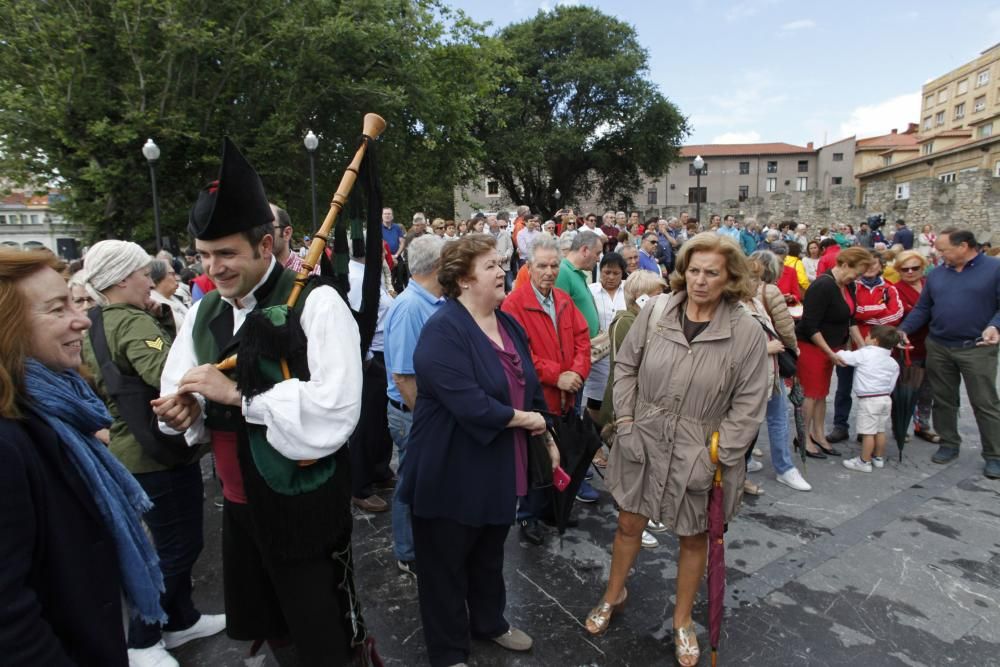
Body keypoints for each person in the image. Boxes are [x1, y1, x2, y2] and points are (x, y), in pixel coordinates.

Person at [153, 138, 369, 665]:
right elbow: (179, 383)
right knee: (271, 623)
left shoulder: (317, 302)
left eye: (226, 253)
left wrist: (240, 396)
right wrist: (184, 410)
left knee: (324, 633)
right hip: (238, 503)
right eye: (204, 255)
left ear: (265, 247)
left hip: (301, 502)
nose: (213, 267)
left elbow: (338, 407)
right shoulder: (204, 311)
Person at [588, 234, 769, 666]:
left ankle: (682, 620)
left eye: (712, 272)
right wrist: (627, 421)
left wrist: (719, 453)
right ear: (682, 271)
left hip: (700, 445)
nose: (701, 281)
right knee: (629, 522)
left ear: (730, 278)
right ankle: (614, 594)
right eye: (694, 270)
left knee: (693, 536)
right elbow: (626, 366)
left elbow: (749, 404)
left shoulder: (745, 331)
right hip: (644, 433)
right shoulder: (656, 312)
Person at [0, 249, 164, 666]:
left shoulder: (55, 409)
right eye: (58, 309)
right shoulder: (9, 442)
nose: (82, 319)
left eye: (74, 301)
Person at [399, 235, 555, 667]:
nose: (502, 270)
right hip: (449, 471)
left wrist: (546, 435)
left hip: (497, 468)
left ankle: (489, 622)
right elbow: (471, 404)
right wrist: (529, 422)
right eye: (491, 265)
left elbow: (529, 383)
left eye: (500, 262)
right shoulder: (442, 331)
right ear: (465, 279)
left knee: (489, 555)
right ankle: (448, 653)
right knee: (444, 569)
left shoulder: (506, 322)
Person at [79, 241, 224, 666]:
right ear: (123, 278)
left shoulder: (94, 320)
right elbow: (169, 377)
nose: (152, 280)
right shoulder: (134, 324)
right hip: (155, 455)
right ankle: (143, 638)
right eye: (145, 273)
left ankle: (180, 619)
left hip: (127, 451)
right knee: (178, 546)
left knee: (166, 542)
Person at [502, 234, 590, 545]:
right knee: (535, 459)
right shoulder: (514, 304)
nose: (549, 272)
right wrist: (558, 376)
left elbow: (582, 340)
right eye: (542, 266)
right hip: (537, 397)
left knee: (560, 454)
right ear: (528, 266)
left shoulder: (563, 299)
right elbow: (518, 355)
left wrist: (577, 373)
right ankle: (528, 515)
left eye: (554, 265)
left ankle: (554, 509)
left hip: (568, 394)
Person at [898, 229, 1000, 478]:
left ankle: (994, 455)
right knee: (943, 399)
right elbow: (924, 307)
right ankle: (949, 443)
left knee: (985, 402)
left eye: (943, 250)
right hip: (939, 345)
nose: (938, 254)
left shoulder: (994, 269)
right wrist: (904, 330)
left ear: (964, 246)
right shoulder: (938, 273)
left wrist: (995, 325)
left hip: (976, 348)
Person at [383, 234, 447, 577]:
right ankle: (407, 552)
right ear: (438, 265)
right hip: (412, 414)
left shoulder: (431, 301)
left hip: (420, 412)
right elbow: (404, 377)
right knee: (412, 482)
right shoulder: (410, 308)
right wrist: (427, 421)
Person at [796, 247, 872, 458]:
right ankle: (803, 438)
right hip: (813, 347)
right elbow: (810, 325)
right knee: (811, 395)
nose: (856, 278)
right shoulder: (822, 285)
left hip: (831, 347)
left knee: (821, 395)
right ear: (845, 264)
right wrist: (829, 352)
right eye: (856, 273)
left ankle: (819, 435)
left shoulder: (849, 287)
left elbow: (850, 318)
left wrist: (862, 346)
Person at [748, 250, 811, 492]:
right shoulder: (768, 291)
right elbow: (785, 327)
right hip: (766, 365)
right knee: (777, 417)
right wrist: (793, 350)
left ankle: (751, 461)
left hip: (760, 367)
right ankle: (784, 467)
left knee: (757, 417)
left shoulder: (753, 296)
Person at [827, 254, 903, 443]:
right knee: (844, 388)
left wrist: (865, 315)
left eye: (873, 263)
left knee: (875, 389)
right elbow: (851, 311)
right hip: (852, 343)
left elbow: (895, 315)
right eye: (865, 264)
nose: (869, 267)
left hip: (878, 348)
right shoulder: (851, 286)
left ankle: (868, 429)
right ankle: (840, 425)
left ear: (880, 265)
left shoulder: (888, 289)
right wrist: (878, 310)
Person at [554, 230, 603, 503]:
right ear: (584, 250)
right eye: (596, 254)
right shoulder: (564, 272)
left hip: (581, 357)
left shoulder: (576, 273)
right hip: (571, 363)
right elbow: (559, 318)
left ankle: (573, 475)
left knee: (572, 418)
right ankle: (568, 479)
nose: (597, 260)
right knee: (568, 423)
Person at [888, 250, 938, 442]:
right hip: (908, 346)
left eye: (914, 268)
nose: (910, 272)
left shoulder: (929, 285)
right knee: (905, 389)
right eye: (904, 269)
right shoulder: (895, 289)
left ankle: (922, 425)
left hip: (933, 344)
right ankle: (900, 425)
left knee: (927, 390)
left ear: (922, 268)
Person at [838, 325, 902, 473]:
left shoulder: (865, 353)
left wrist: (838, 351)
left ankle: (864, 461)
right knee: (880, 430)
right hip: (885, 399)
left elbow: (846, 357)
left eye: (868, 336)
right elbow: (892, 383)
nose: (865, 338)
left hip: (869, 400)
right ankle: (878, 458)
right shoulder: (892, 362)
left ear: (875, 341)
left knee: (867, 432)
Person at [584, 252, 626, 429]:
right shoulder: (590, 291)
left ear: (622, 273)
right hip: (599, 356)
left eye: (615, 273)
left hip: (624, 354)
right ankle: (597, 438)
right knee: (596, 398)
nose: (610, 277)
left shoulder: (630, 290)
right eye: (607, 272)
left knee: (622, 397)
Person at [150, 258, 190, 331]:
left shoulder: (177, 297)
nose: (177, 278)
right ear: (159, 277)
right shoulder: (154, 307)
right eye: (172, 274)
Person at [493, 212, 515, 292]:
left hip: (505, 263)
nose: (503, 228)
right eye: (501, 226)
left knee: (510, 286)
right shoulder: (489, 235)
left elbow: (510, 248)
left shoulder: (506, 234)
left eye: (505, 226)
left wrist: (505, 256)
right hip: (495, 263)